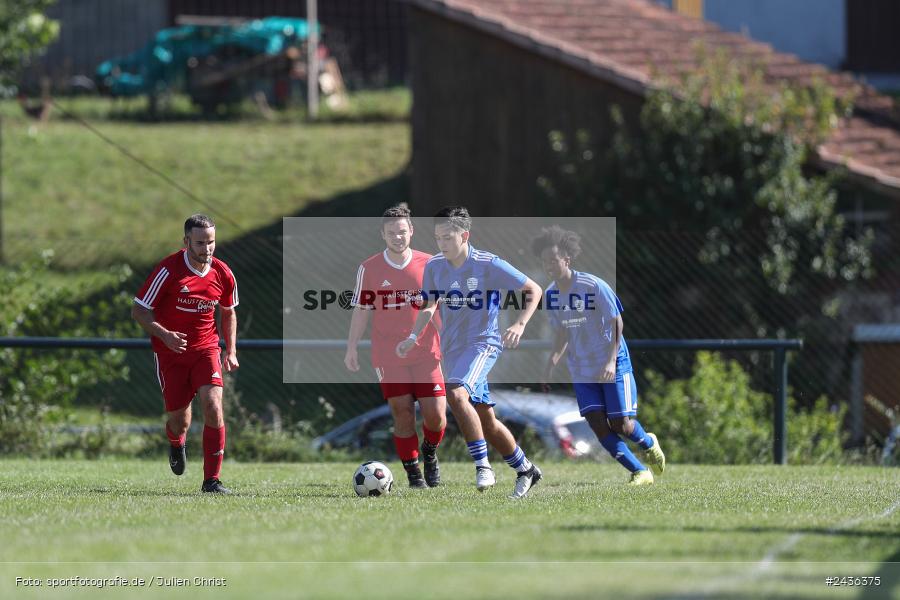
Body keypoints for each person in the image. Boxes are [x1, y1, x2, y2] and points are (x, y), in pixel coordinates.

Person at [397, 207, 544, 499]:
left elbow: (533, 289)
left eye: (448, 237)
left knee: (456, 394)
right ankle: (526, 469)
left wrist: (520, 324)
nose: (442, 244)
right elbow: (429, 305)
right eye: (438, 238)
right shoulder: (436, 266)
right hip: (453, 350)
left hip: (482, 343)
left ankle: (482, 466)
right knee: (486, 421)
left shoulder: (488, 264)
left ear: (465, 235)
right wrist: (413, 336)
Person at [532, 225, 665, 486]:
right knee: (597, 423)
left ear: (566, 260)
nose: (549, 265)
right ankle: (639, 471)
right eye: (545, 261)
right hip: (582, 368)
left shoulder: (593, 286)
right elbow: (561, 333)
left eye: (554, 260)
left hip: (612, 364)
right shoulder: (551, 295)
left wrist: (610, 361)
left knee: (621, 426)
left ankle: (648, 442)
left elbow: (617, 323)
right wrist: (551, 364)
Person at [132, 214, 239, 494]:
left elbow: (228, 311)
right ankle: (175, 441)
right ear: (186, 241)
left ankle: (211, 481)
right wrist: (165, 335)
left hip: (206, 349)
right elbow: (139, 310)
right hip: (171, 354)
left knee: (213, 404)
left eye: (211, 242)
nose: (207, 248)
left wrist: (231, 349)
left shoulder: (223, 273)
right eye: (200, 242)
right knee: (181, 421)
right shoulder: (168, 270)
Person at [345, 206, 447, 488]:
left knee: (436, 416)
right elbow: (362, 310)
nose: (398, 237)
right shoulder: (369, 268)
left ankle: (429, 451)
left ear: (411, 231)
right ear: (383, 235)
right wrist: (352, 346)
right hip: (388, 354)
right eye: (392, 232)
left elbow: (437, 307)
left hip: (426, 350)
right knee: (402, 412)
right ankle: (414, 474)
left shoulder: (431, 263)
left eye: (402, 231)